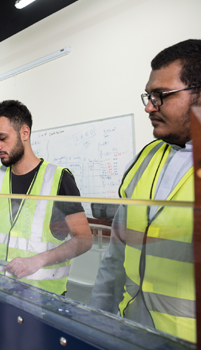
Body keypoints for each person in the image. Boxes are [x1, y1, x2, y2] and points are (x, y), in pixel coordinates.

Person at [90, 39, 200, 343]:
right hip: (134, 330)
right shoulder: (146, 159)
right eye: (148, 96)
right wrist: (97, 320)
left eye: (161, 96)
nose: (149, 107)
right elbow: (116, 256)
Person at [0, 100, 92, 295]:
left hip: (43, 296)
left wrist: (38, 260)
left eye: (2, 138)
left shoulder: (58, 179)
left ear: (25, 133)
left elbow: (84, 239)